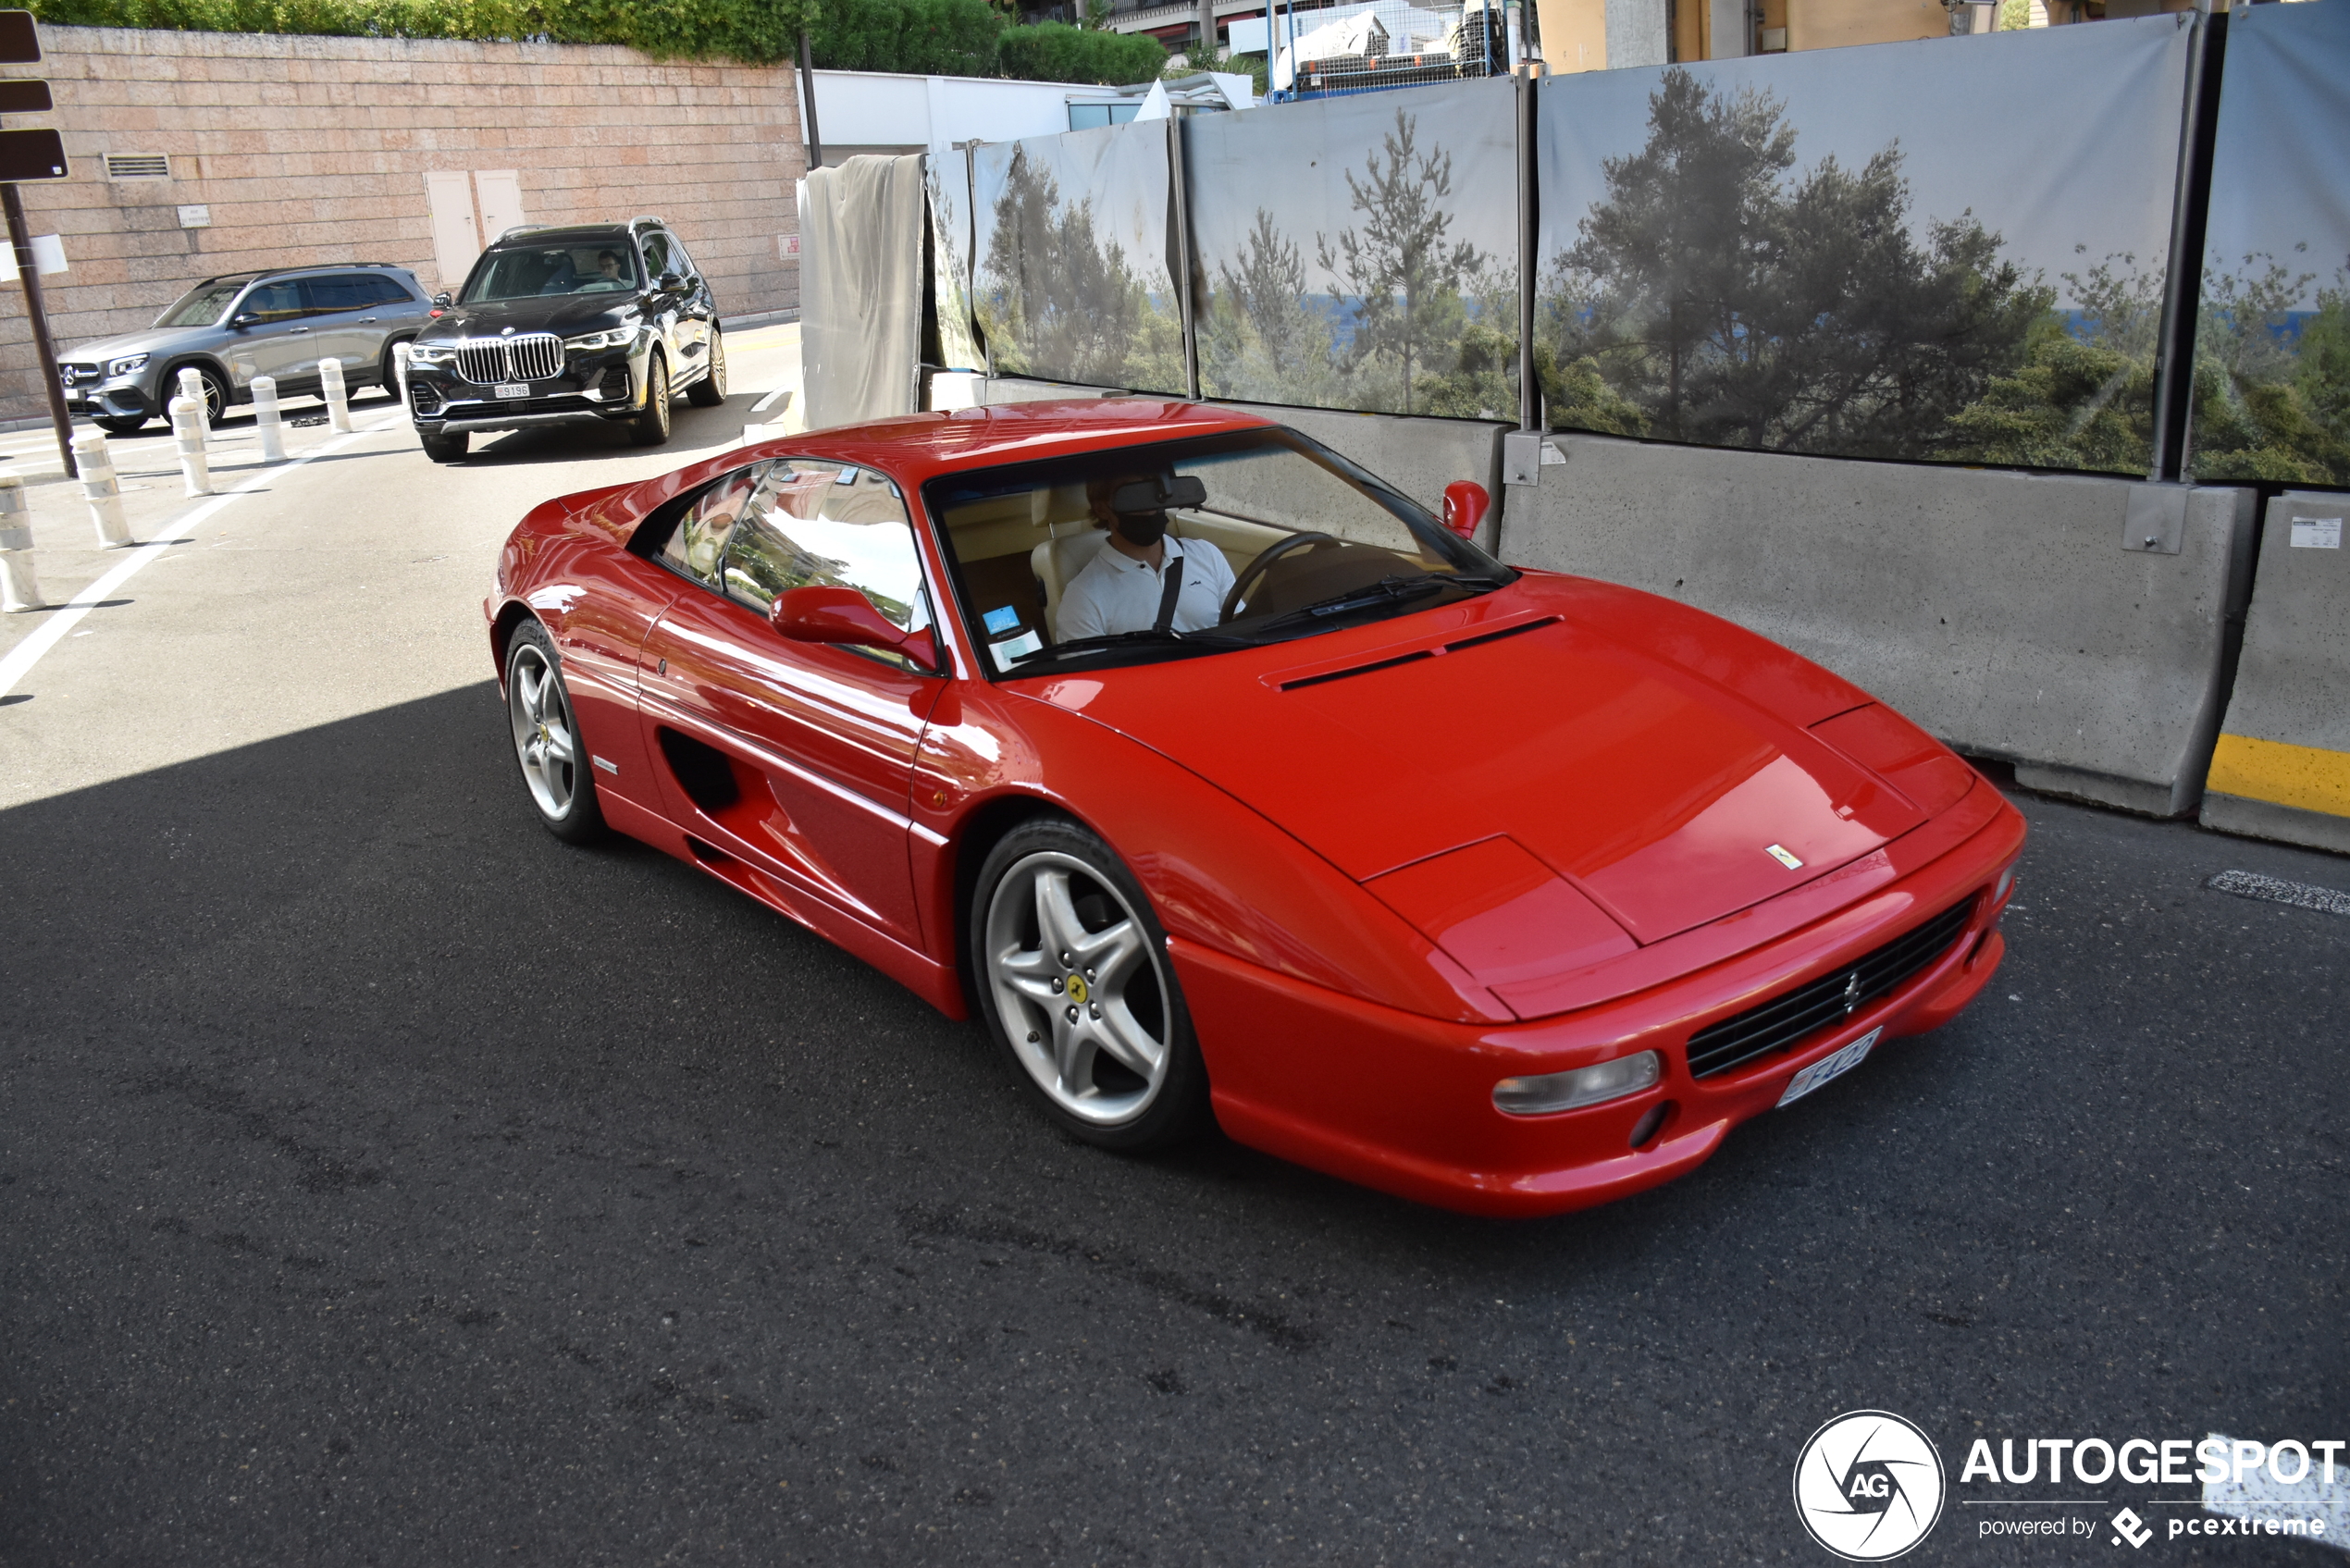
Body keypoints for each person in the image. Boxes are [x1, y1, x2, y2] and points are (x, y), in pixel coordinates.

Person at [1056, 472, 1237, 640]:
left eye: (1152, 491)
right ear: (1102, 509)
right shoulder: (1081, 597)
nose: (1148, 507)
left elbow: (1241, 629)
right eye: (1133, 495)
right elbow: (1089, 674)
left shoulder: (1207, 555)